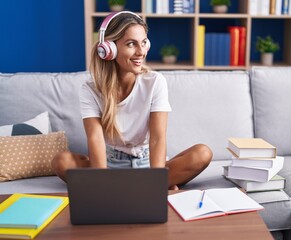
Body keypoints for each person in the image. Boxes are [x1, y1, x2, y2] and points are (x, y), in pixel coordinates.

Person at [51, 11, 212, 190]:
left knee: (202, 153)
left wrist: (156, 183)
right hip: (110, 164)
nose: (141, 52)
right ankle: (126, 186)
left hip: (148, 164)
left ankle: (134, 186)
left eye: (143, 43)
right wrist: (101, 182)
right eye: (131, 44)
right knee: (62, 161)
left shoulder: (155, 82)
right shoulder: (90, 90)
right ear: (108, 50)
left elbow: (158, 139)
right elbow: (95, 138)